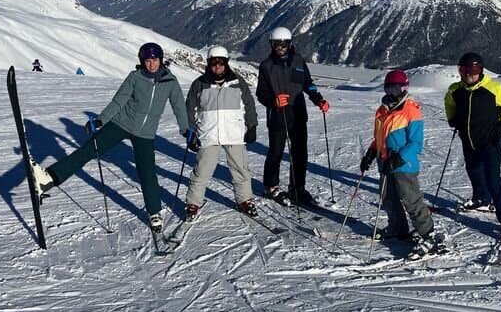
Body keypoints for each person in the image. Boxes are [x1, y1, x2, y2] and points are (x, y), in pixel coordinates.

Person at [30, 42, 189, 236]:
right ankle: (49, 178)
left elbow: (179, 107)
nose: (151, 64)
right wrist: (100, 120)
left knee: (147, 171)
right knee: (89, 150)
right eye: (147, 60)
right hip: (121, 124)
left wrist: (186, 130)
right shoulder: (135, 77)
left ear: (161, 60)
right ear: (142, 61)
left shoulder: (170, 82)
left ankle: (154, 212)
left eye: (155, 60)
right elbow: (118, 101)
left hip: (145, 133)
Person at [359, 69, 443, 260]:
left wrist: (397, 159)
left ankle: (428, 234)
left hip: (404, 165)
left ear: (404, 88)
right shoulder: (381, 111)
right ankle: (398, 229)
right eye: (389, 88)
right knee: (388, 197)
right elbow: (379, 137)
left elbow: (416, 143)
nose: (392, 93)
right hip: (385, 163)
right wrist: (371, 153)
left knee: (411, 200)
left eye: (396, 89)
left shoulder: (411, 111)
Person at [444, 52, 501, 243]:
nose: (470, 74)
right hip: (468, 140)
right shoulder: (456, 90)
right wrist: (453, 119)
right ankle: (481, 199)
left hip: (490, 142)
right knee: (473, 170)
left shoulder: (492, 88)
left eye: (474, 70)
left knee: (493, 180)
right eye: (465, 70)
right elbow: (449, 102)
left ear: (481, 70)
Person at [183, 45, 259, 221]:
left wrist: (252, 126)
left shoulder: (238, 83)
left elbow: (249, 106)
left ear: (226, 63)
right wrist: (191, 132)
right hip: (208, 134)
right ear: (209, 63)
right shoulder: (199, 84)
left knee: (241, 170)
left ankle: (245, 200)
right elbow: (190, 109)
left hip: (234, 133)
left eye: (221, 62)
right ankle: (193, 203)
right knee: (201, 171)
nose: (218, 66)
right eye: (214, 62)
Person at [255, 26, 329, 206]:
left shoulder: (298, 61)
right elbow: (261, 93)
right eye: (276, 44)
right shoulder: (266, 66)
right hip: (277, 115)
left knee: (299, 153)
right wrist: (273, 101)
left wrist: (318, 99)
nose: (279, 47)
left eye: (283, 44)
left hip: (297, 112)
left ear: (289, 44)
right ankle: (271, 186)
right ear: (271, 44)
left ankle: (298, 188)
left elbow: (307, 84)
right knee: (276, 151)